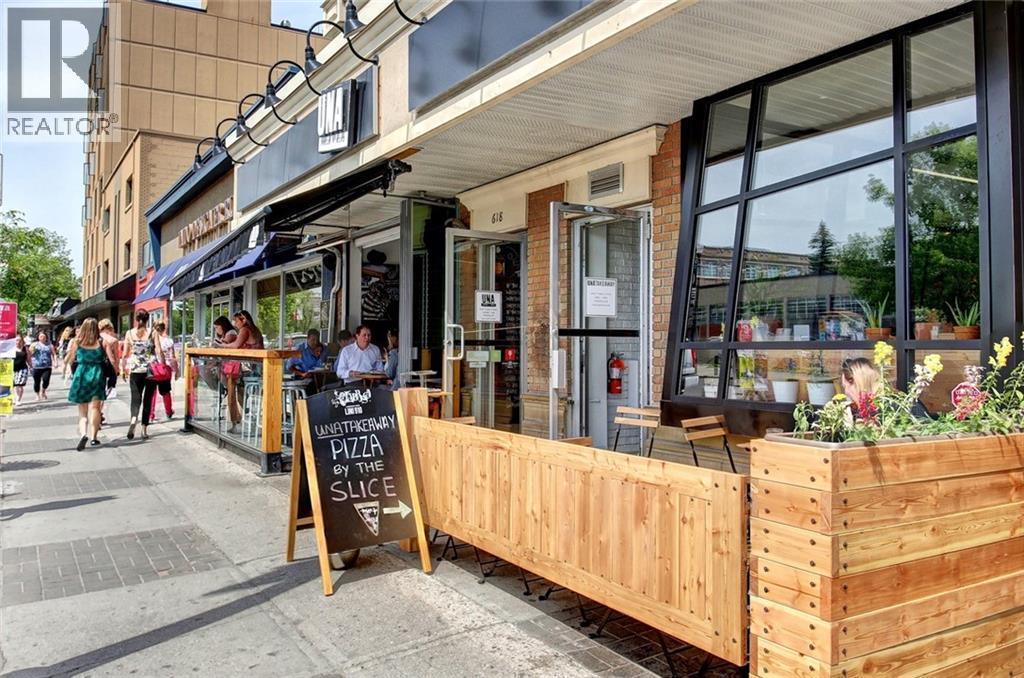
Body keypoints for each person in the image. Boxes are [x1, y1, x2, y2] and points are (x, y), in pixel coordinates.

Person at [67, 318, 118, 450]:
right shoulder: (102, 342)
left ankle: (83, 434)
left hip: (81, 375)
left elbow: (71, 360)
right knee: (96, 408)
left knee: (82, 410)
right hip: (97, 375)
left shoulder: (77, 342)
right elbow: (112, 360)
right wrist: (116, 373)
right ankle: (94, 438)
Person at [122, 309, 163, 440]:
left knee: (135, 398)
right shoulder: (153, 332)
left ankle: (133, 419)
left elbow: (125, 354)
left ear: (136, 319)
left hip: (135, 369)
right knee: (148, 399)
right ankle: (144, 429)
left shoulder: (129, 333)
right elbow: (159, 350)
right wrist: (163, 365)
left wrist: (123, 369)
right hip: (150, 370)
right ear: (147, 319)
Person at [212, 316, 242, 432]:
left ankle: (236, 420)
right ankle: (236, 418)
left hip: (233, 368)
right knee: (232, 395)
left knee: (232, 395)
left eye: (217, 327)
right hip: (228, 368)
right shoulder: (226, 334)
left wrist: (217, 343)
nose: (216, 330)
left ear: (222, 325)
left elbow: (225, 346)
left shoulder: (231, 333)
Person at [149, 322, 178, 422]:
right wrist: (176, 370)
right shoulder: (169, 340)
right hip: (166, 368)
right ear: (164, 328)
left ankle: (151, 415)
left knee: (152, 392)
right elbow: (173, 357)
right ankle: (169, 411)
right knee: (166, 391)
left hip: (153, 367)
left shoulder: (151, 339)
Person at [28, 332, 54, 401]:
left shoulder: (49, 345)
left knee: (46, 380)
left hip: (47, 366)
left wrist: (55, 362)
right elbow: (29, 354)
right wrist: (29, 363)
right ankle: (37, 395)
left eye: (44, 337)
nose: (42, 338)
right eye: (41, 336)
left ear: (46, 337)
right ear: (38, 337)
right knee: (37, 382)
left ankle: (43, 391)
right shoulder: (34, 344)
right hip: (36, 366)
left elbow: (53, 354)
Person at [12, 334, 28, 405]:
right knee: (14, 385)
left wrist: (31, 367)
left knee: (19, 384)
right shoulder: (11, 348)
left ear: (22, 341)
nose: (18, 342)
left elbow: (28, 359)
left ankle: (18, 400)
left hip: (22, 369)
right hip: (12, 369)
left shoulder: (25, 348)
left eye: (20, 340)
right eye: (16, 340)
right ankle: (15, 398)